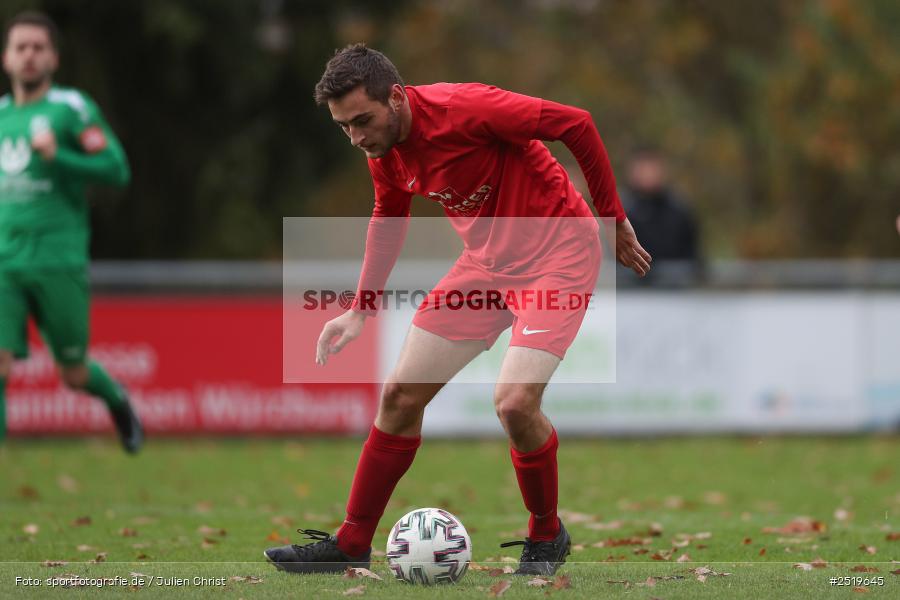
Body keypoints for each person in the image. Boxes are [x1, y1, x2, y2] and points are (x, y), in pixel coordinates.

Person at [265, 44, 650, 576]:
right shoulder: (384, 151)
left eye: (362, 121)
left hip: (559, 254)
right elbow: (389, 216)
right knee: (400, 396)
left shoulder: (467, 108)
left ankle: (546, 533)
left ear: (396, 98)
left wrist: (611, 217)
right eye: (343, 128)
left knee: (514, 403)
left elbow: (576, 123)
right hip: (485, 267)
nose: (356, 138)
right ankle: (352, 542)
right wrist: (360, 309)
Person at [0, 11, 142, 452]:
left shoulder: (71, 108)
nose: (29, 56)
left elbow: (115, 169)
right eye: (20, 47)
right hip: (5, 260)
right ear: (6, 57)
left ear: (53, 58)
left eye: (38, 48)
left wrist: (59, 156)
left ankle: (117, 401)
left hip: (57, 259)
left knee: (73, 372)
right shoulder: (1, 115)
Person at [620, 146, 701, 284]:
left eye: (651, 168)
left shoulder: (679, 210)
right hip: (631, 293)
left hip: (674, 290)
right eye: (643, 168)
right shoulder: (621, 211)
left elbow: (693, 256)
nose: (648, 174)